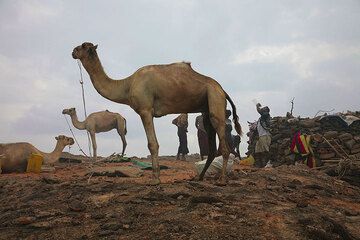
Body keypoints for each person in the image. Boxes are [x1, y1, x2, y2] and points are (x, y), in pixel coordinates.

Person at [254, 103, 271, 167]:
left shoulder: (266, 115)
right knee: (257, 151)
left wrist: (257, 106)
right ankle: (259, 165)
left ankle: (266, 164)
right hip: (261, 136)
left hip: (265, 135)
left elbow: (259, 111)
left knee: (265, 150)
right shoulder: (261, 118)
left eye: (264, 109)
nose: (262, 110)